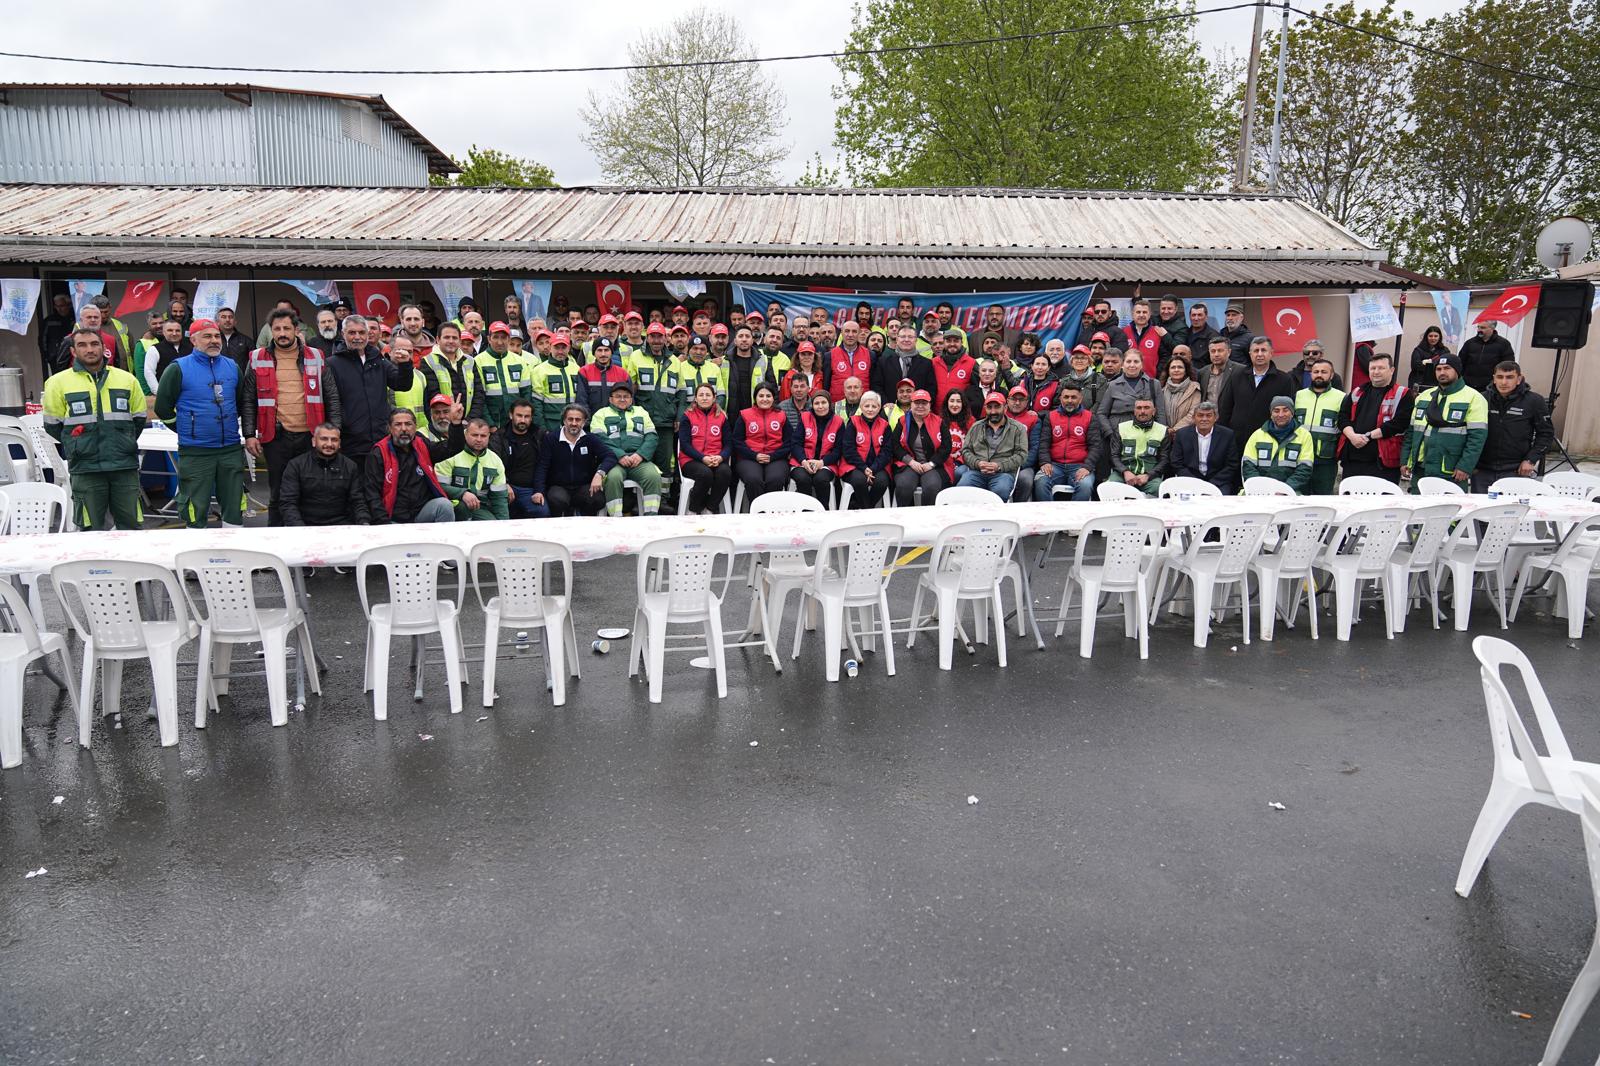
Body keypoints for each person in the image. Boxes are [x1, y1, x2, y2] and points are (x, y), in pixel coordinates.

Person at [243, 308, 343, 526]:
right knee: (278, 493)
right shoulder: (257, 358)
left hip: (310, 436)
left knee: (311, 491)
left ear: (296, 329)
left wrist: (334, 430)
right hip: (276, 437)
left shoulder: (315, 356)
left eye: (286, 328)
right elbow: (248, 399)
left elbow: (332, 396)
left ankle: (308, 539)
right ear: (271, 331)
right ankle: (276, 538)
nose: (282, 333)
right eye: (277, 329)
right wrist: (249, 434)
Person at [42, 327, 148, 530]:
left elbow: (139, 419)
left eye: (94, 344)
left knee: (131, 529)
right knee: (90, 531)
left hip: (123, 466)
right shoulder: (57, 383)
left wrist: (122, 442)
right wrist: (78, 444)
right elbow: (53, 425)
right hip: (85, 467)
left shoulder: (127, 379)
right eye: (82, 345)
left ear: (103, 347)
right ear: (73, 351)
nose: (89, 349)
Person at [153, 319, 249, 528]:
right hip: (196, 451)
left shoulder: (232, 367)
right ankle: (196, 544)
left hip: (230, 449)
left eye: (216, 336)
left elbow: (241, 402)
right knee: (195, 506)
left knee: (235, 504)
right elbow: (162, 408)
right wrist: (187, 429)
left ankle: (235, 541)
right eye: (207, 336)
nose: (214, 340)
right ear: (194, 341)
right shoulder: (178, 368)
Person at [328, 313, 414, 460]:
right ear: (343, 334)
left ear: (368, 334)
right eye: (352, 333)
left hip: (382, 439)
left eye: (362, 332)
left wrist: (405, 365)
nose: (357, 337)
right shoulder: (332, 364)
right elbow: (331, 403)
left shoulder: (377, 359)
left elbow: (402, 385)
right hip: (351, 442)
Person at [1401, 353, 1488, 490]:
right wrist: (1405, 460)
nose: (1442, 372)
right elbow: (1411, 432)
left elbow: (1477, 438)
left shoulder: (1474, 398)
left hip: (1451, 470)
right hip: (1420, 467)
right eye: (1438, 369)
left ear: (1457, 370)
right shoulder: (1423, 396)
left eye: (1447, 368)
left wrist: (1465, 466)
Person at [1473, 360, 1554, 492]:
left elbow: (1546, 434)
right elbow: (1470, 432)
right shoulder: (1481, 399)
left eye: (1509, 377)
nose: (1504, 382)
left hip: (1516, 470)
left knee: (1512, 506)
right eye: (1500, 377)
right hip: (1482, 470)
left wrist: (1531, 460)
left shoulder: (1534, 401)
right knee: (1480, 505)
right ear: (1494, 379)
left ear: (1519, 379)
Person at [364, 408, 454, 524]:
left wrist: (456, 424)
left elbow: (452, 447)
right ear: (389, 428)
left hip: (421, 514)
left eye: (408, 424)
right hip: (393, 519)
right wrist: (385, 524)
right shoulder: (378, 453)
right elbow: (372, 493)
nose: (404, 429)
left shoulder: (423, 445)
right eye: (398, 424)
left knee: (444, 505)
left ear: (415, 427)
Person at [1337, 352, 1413, 484]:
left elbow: (1399, 423)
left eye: (1381, 368)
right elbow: (1343, 417)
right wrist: (1352, 436)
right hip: (1353, 459)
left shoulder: (1403, 394)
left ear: (1392, 370)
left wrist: (1368, 436)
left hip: (1383, 463)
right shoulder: (1357, 391)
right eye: (1373, 368)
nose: (1376, 372)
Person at [591, 381, 661, 516]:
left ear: (631, 399)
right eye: (618, 396)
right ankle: (616, 518)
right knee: (613, 478)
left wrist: (640, 454)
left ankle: (651, 517)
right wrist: (619, 455)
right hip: (613, 461)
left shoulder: (641, 412)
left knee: (653, 476)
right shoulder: (601, 414)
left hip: (638, 460)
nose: (622, 399)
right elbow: (599, 439)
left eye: (626, 396)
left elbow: (652, 436)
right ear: (610, 399)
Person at [278, 422, 370, 526]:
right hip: (305, 525)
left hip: (342, 525)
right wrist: (300, 528)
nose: (329, 444)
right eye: (324, 439)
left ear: (339, 443)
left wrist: (364, 522)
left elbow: (358, 501)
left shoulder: (350, 466)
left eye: (334, 440)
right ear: (314, 441)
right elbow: (288, 502)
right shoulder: (296, 465)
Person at [534, 404, 617, 517]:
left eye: (578, 420)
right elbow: (542, 466)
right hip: (558, 487)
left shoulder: (590, 439)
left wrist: (599, 474)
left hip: (583, 486)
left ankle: (584, 520)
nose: (574, 423)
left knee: (597, 499)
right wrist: (538, 491)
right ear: (564, 420)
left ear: (584, 422)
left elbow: (610, 456)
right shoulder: (551, 438)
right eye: (570, 419)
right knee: (557, 500)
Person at [1218, 335, 1296, 445]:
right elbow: (1225, 408)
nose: (1259, 354)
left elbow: (1288, 412)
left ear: (1271, 353)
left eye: (1263, 350)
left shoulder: (1284, 380)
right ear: (1250, 354)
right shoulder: (1236, 376)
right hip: (1237, 440)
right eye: (1256, 351)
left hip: (1269, 440)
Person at [1034, 383, 1101, 501]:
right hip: (1055, 466)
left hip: (1080, 466)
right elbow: (1044, 443)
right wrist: (1045, 462)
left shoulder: (1090, 417)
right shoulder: (1051, 416)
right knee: (1040, 481)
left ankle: (1075, 513)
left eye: (1073, 397)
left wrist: (1087, 467)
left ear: (1080, 399)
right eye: (1066, 397)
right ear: (1060, 398)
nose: (1069, 400)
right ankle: (1048, 513)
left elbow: (1095, 446)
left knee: (1085, 485)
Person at [729, 381, 791, 507]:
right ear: (755, 398)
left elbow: (789, 441)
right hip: (749, 458)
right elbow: (737, 441)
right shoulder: (745, 415)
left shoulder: (781, 415)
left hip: (775, 457)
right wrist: (754, 455)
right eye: (761, 396)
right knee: (753, 479)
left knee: (775, 479)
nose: (764, 399)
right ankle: (759, 511)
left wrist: (773, 456)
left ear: (773, 398)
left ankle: (771, 511)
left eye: (768, 396)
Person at [434, 417, 509, 521]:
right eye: (474, 435)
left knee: (492, 524)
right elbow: (439, 486)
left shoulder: (495, 461)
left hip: (480, 507)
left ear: (489, 436)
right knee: (462, 509)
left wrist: (504, 524)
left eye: (483, 436)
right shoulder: (450, 454)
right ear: (465, 434)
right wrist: (462, 493)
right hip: (453, 504)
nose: (479, 439)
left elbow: (499, 498)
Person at [956, 392, 1027, 500]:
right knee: (962, 489)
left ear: (1005, 408)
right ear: (985, 408)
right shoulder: (976, 427)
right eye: (989, 407)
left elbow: (1022, 455)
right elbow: (966, 451)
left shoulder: (1018, 428)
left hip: (1003, 473)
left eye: (997, 407)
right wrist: (977, 463)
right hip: (977, 472)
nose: (993, 411)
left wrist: (999, 466)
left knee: (1000, 491)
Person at [677, 383, 734, 514]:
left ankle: (709, 509)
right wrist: (702, 458)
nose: (704, 398)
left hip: (715, 459)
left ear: (714, 398)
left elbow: (728, 444)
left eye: (708, 395)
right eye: (701, 395)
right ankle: (693, 510)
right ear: (695, 398)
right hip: (691, 460)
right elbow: (685, 445)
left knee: (725, 472)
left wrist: (721, 457)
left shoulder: (722, 417)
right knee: (705, 474)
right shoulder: (687, 416)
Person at [1292, 357, 1346, 494]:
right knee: (1298, 497)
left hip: (1326, 459)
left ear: (1331, 375)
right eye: (1316, 372)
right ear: (1311, 374)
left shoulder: (1341, 397)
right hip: (1300, 456)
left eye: (1324, 372)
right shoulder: (1299, 395)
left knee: (1322, 499)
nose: (1319, 375)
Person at [488, 399, 549, 519]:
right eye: (519, 415)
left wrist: (539, 490)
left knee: (542, 512)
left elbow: (544, 465)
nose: (523, 420)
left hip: (530, 489)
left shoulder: (540, 436)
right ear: (511, 415)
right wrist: (504, 484)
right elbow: (493, 464)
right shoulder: (499, 437)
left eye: (527, 416)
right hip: (506, 487)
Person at [890, 389, 950, 506]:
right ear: (911, 404)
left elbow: (946, 447)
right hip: (909, 465)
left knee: (932, 487)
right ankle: (903, 515)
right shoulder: (902, 421)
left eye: (924, 403)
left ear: (930, 405)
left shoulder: (939, 422)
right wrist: (910, 461)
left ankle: (927, 516)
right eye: (917, 403)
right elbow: (895, 445)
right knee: (904, 486)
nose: (920, 406)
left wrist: (931, 464)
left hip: (932, 465)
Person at [1241, 396, 1313, 493]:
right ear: (1271, 414)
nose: (1281, 414)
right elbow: (1248, 467)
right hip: (1259, 491)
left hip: (1291, 491)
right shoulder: (1257, 435)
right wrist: (1261, 489)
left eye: (1285, 410)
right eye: (1276, 411)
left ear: (1292, 413)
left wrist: (1283, 490)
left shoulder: (1304, 436)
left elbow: (1304, 470)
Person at [836, 389, 893, 508]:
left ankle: (861, 507)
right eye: (867, 406)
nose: (870, 409)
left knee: (882, 482)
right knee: (859, 480)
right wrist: (864, 468)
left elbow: (887, 452)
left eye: (874, 406)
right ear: (861, 407)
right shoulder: (853, 422)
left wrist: (873, 468)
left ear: (879, 408)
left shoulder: (885, 425)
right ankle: (868, 510)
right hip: (854, 466)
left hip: (878, 467)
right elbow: (848, 450)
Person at [788, 390, 844, 507]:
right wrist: (804, 461)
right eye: (817, 403)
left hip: (826, 463)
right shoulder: (805, 417)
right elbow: (795, 443)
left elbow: (838, 450)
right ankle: (805, 510)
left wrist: (821, 462)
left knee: (821, 480)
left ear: (829, 404)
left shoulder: (838, 421)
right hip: (802, 462)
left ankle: (822, 511)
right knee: (803, 479)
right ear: (812, 405)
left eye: (823, 402)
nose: (820, 406)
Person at [1168, 401, 1238, 494]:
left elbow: (1231, 465)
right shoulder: (1182, 434)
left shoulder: (1227, 435)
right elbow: (1176, 463)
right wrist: (1197, 483)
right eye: (1200, 415)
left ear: (1215, 418)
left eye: (1209, 415)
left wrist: (1211, 484)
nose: (1204, 419)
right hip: (1190, 480)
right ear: (1193, 418)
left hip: (1218, 482)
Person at [474, 321, 534, 427]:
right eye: (496, 337)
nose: (500, 342)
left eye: (503, 338)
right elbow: (479, 397)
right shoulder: (478, 361)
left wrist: (521, 418)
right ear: (489, 339)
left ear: (509, 339)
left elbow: (526, 393)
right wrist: (490, 424)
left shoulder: (519, 361)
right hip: (492, 422)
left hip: (515, 423)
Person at [1111, 397, 1170, 497]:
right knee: (1110, 487)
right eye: (1139, 408)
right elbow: (1114, 456)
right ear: (1134, 411)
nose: (1142, 411)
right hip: (1123, 475)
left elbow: (1164, 460)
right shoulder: (1121, 427)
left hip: (1149, 477)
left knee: (1160, 490)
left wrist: (1148, 475)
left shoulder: (1162, 430)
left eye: (1146, 407)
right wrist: (1125, 472)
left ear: (1154, 411)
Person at [1097, 347, 1164, 430]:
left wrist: (1160, 432)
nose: (1132, 365)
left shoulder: (1154, 384)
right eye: (1128, 361)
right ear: (1122, 365)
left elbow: (1160, 413)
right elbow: (1102, 413)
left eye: (1136, 361)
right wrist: (1109, 433)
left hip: (1146, 430)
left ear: (1141, 364)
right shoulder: (1112, 385)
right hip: (1118, 431)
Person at [530, 331, 584, 431]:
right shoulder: (539, 370)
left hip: (574, 422)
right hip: (551, 423)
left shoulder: (576, 368)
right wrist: (542, 428)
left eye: (563, 348)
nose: (560, 351)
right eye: (556, 347)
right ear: (550, 348)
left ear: (569, 348)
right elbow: (536, 404)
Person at [873, 326, 936, 400]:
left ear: (916, 340)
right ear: (897, 339)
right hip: (890, 405)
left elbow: (931, 389)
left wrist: (921, 404)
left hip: (917, 406)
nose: (906, 340)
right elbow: (876, 386)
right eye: (903, 337)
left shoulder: (926, 364)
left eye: (910, 337)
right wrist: (886, 404)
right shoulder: (883, 361)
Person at [576, 335, 631, 414]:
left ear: (611, 352)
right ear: (594, 353)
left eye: (606, 350)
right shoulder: (584, 372)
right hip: (591, 419)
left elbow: (629, 401)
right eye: (599, 350)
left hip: (616, 419)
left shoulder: (623, 374)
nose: (603, 354)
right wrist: (588, 420)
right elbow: (581, 400)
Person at [1458, 319, 1515, 393]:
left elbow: (1508, 366)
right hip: (1468, 386)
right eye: (1478, 327)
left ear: (1492, 328)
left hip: (1490, 388)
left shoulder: (1503, 344)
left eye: (1483, 328)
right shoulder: (1469, 343)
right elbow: (1460, 363)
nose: (1479, 330)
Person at [142, 317, 192, 396]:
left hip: (189, 394)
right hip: (166, 394)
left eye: (177, 330)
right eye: (170, 330)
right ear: (163, 332)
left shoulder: (190, 348)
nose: (174, 333)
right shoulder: (155, 349)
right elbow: (149, 372)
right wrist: (159, 392)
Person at [931, 330, 977, 405]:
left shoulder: (971, 363)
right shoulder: (934, 362)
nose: (952, 344)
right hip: (936, 411)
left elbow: (976, 391)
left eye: (956, 341)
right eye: (948, 341)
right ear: (944, 343)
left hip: (960, 410)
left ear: (962, 342)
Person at [1121, 298, 1164, 378]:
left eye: (1144, 312)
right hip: (1127, 378)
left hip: (1150, 379)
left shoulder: (1158, 332)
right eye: (1138, 312)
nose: (1141, 315)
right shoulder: (1123, 332)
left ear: (1149, 314)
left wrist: (1157, 373)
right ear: (1132, 314)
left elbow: (1163, 356)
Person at [1160, 354, 1201, 431]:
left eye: (1180, 367)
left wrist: (1174, 429)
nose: (1176, 370)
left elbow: (1193, 413)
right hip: (1164, 432)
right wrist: (1166, 429)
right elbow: (1159, 412)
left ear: (1186, 370)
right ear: (1168, 371)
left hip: (1186, 432)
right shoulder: (1161, 390)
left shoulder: (1194, 388)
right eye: (1173, 367)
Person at [1198, 335, 1240, 407]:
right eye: (1213, 351)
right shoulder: (1203, 372)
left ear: (1229, 352)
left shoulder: (1240, 370)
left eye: (1220, 351)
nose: (1216, 354)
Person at [38, 292, 74, 375]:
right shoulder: (49, 320)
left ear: (68, 305)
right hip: (55, 357)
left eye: (62, 306)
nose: (59, 309)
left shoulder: (75, 319)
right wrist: (46, 356)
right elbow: (42, 340)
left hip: (72, 355)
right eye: (57, 306)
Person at [1407, 325, 1450, 392]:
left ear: (1439, 337)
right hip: (1420, 382)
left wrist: (1426, 364)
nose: (1433, 338)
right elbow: (1415, 366)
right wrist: (1433, 365)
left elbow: (1446, 366)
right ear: (1426, 337)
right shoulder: (1418, 350)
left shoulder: (1444, 350)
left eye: (1436, 336)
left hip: (1437, 383)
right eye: (1430, 336)